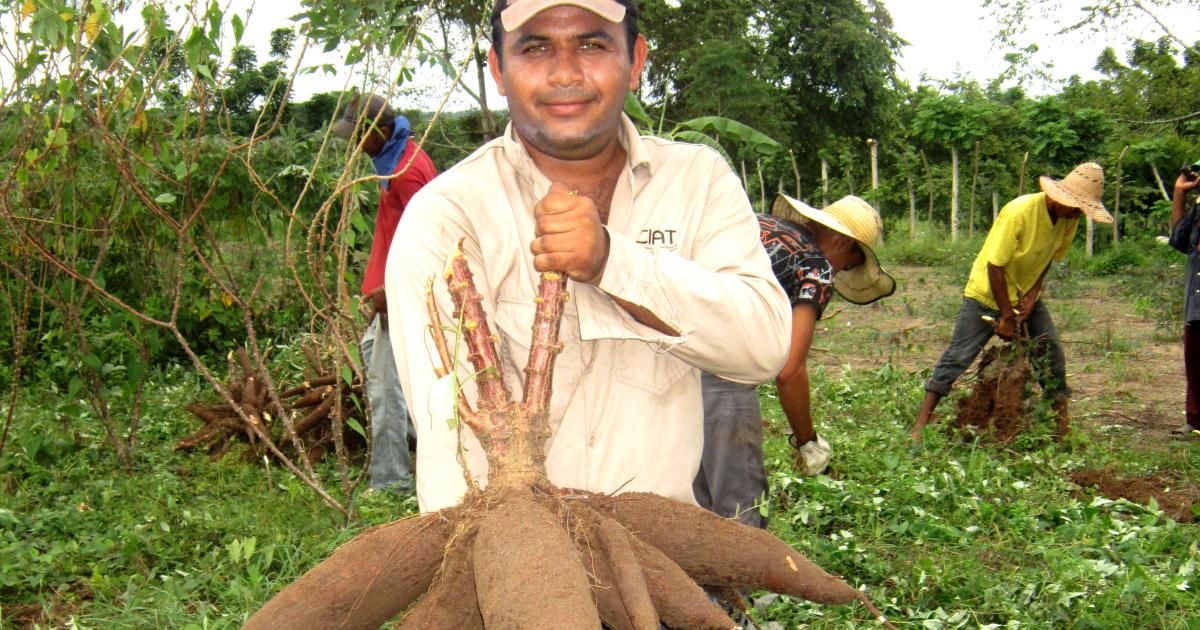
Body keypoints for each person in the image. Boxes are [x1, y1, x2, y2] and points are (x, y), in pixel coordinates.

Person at [384, 0, 791, 513]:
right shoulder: (447, 215)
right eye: (535, 48)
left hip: (661, 555)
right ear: (499, 70)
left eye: (592, 44)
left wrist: (612, 264)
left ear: (636, 60)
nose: (565, 73)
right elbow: (448, 439)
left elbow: (762, 346)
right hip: (518, 546)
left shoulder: (698, 182)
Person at [694, 195, 896, 528]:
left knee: (694, 498)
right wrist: (807, 441)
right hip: (721, 370)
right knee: (742, 507)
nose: (842, 269)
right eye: (850, 261)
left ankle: (692, 579)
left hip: (667, 357)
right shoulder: (816, 266)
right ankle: (739, 578)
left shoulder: (759, 225)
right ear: (844, 242)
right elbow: (790, 370)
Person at [910, 162, 1112, 441]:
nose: (1078, 213)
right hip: (986, 292)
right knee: (959, 355)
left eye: (1083, 209)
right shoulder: (1020, 211)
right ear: (1058, 196)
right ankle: (921, 425)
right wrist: (1006, 315)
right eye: (1076, 206)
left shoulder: (1069, 220)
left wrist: (1032, 296)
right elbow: (995, 265)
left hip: (1022, 294)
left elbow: (1047, 260)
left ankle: (1060, 425)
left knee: (1050, 351)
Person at [331, 93, 438, 491]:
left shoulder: (406, 172)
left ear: (379, 131)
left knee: (384, 389)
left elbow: (424, 243)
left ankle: (391, 481)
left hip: (400, 296)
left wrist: (391, 295)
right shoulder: (396, 158)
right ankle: (424, 451)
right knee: (379, 366)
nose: (357, 146)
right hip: (390, 294)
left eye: (360, 136)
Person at [1168, 159, 1200, 440]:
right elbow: (1178, 240)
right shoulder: (1199, 210)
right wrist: (1179, 193)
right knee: (1195, 359)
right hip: (1197, 299)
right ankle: (1195, 419)